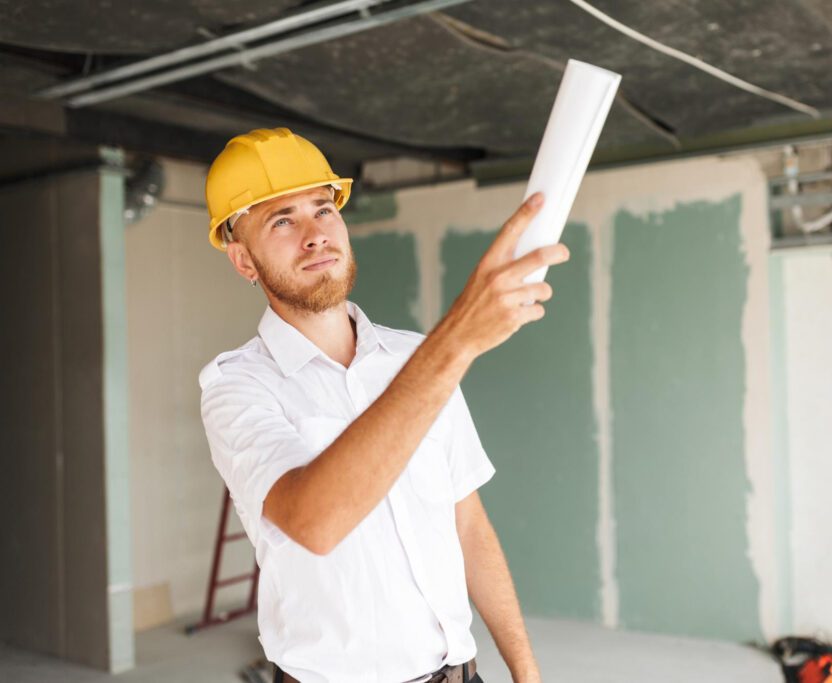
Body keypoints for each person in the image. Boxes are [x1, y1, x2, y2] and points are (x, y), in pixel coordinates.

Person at [198, 128, 570, 683]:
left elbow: (465, 519)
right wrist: (458, 342)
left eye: (324, 209)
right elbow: (315, 523)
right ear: (244, 261)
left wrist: (526, 671)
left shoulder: (415, 355)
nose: (315, 235)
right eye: (282, 220)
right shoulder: (237, 386)